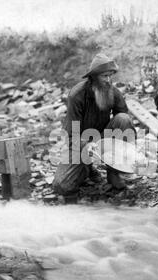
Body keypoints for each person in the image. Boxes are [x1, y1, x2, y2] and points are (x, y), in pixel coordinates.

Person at [52, 53, 135, 197]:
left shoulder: (113, 92)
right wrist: (86, 146)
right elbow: (71, 135)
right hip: (79, 144)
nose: (109, 80)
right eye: (104, 76)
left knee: (123, 119)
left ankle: (113, 173)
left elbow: (124, 123)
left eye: (111, 76)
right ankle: (87, 169)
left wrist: (122, 154)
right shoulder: (76, 95)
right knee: (62, 186)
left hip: (103, 140)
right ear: (93, 77)